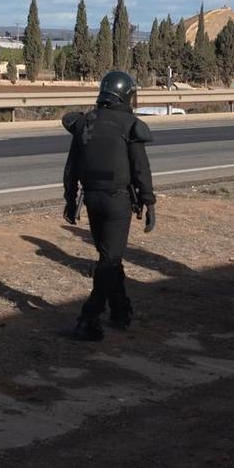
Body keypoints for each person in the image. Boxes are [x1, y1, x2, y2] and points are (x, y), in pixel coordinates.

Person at [62, 70, 157, 341]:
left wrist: (70, 199)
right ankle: (88, 318)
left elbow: (71, 168)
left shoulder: (85, 122)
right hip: (117, 202)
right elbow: (141, 168)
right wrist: (149, 202)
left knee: (108, 257)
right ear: (126, 94)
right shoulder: (128, 124)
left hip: (91, 199)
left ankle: (120, 310)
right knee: (110, 259)